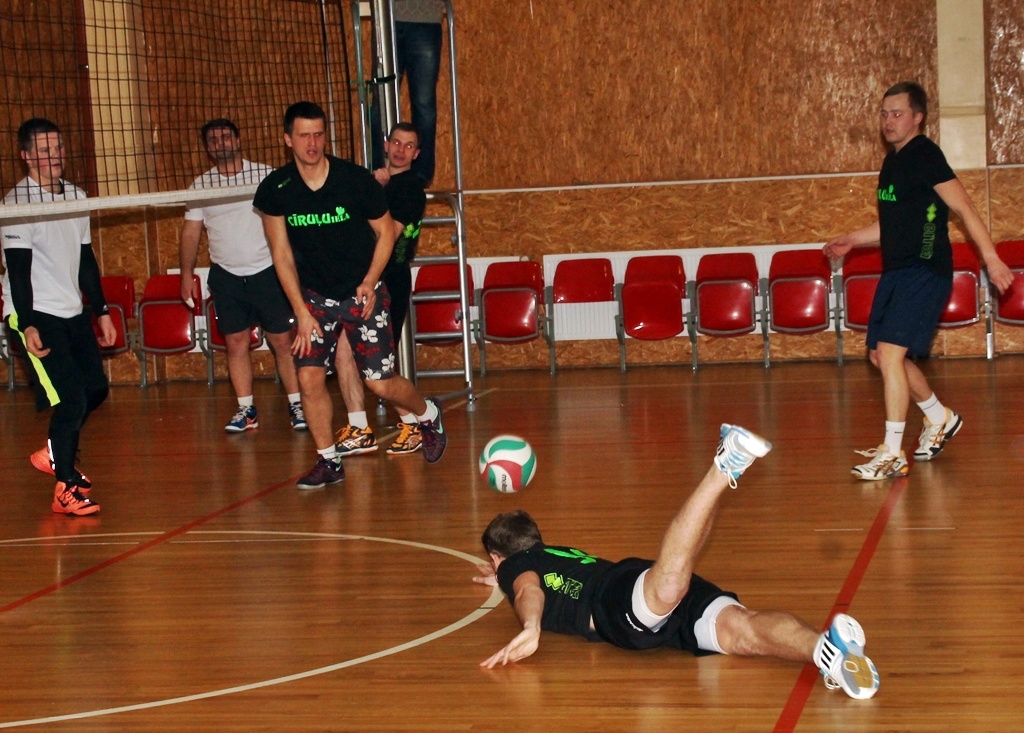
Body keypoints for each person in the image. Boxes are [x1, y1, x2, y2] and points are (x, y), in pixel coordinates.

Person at [474, 424, 880, 700]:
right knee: (744, 630)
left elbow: (528, 587)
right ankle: (828, 651)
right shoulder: (548, 553)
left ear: (498, 557)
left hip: (614, 602)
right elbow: (534, 577)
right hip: (643, 596)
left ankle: (723, 467)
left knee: (668, 587)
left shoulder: (518, 567)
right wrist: (501, 575)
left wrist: (530, 626)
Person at [824, 82, 1014, 481]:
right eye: (884, 113)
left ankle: (893, 452)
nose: (889, 121)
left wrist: (992, 259)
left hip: (925, 269)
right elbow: (894, 224)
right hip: (896, 270)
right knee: (881, 356)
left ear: (917, 117)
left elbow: (963, 208)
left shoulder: (925, 155)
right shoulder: (892, 162)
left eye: (897, 113)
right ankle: (938, 417)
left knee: (891, 355)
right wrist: (853, 240)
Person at [253, 101, 447, 490]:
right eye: (304, 135)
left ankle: (427, 413)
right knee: (309, 378)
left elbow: (388, 233)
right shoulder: (276, 189)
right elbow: (281, 255)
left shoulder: (354, 180)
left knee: (379, 381)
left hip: (363, 294)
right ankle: (328, 461)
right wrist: (300, 311)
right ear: (287, 138)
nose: (312, 142)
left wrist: (371, 281)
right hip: (314, 298)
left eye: (319, 134)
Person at [1, 118, 114, 516]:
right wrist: (28, 323)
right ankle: (64, 488)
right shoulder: (17, 205)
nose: (54, 156)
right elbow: (17, 271)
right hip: (34, 313)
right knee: (70, 400)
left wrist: (100, 310)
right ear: (26, 156)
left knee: (96, 390)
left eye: (58, 148)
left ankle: (54, 451)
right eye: (45, 150)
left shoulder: (76, 196)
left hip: (71, 311)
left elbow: (86, 260)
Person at [180, 118, 306, 434]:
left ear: (238, 140)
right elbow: (191, 234)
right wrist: (185, 274)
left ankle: (297, 404)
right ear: (208, 148)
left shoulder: (265, 176)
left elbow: (290, 222)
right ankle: (246, 409)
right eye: (213, 140)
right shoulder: (200, 185)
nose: (220, 143)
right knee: (235, 343)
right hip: (227, 275)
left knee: (281, 340)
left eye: (226, 137)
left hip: (267, 272)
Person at [334, 121, 426, 457]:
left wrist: (375, 191)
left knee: (377, 364)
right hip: (362, 283)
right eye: (396, 142)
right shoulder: (371, 184)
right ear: (386, 145)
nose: (401, 150)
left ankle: (414, 423)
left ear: (415, 154)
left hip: (390, 282)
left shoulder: (408, 189)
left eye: (408, 145)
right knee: (345, 351)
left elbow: (386, 234)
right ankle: (359, 427)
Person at [371, 0, 445, 185]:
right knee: (380, 103)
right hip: (386, 15)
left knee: (424, 105)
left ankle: (418, 177)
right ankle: (378, 171)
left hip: (425, 16)